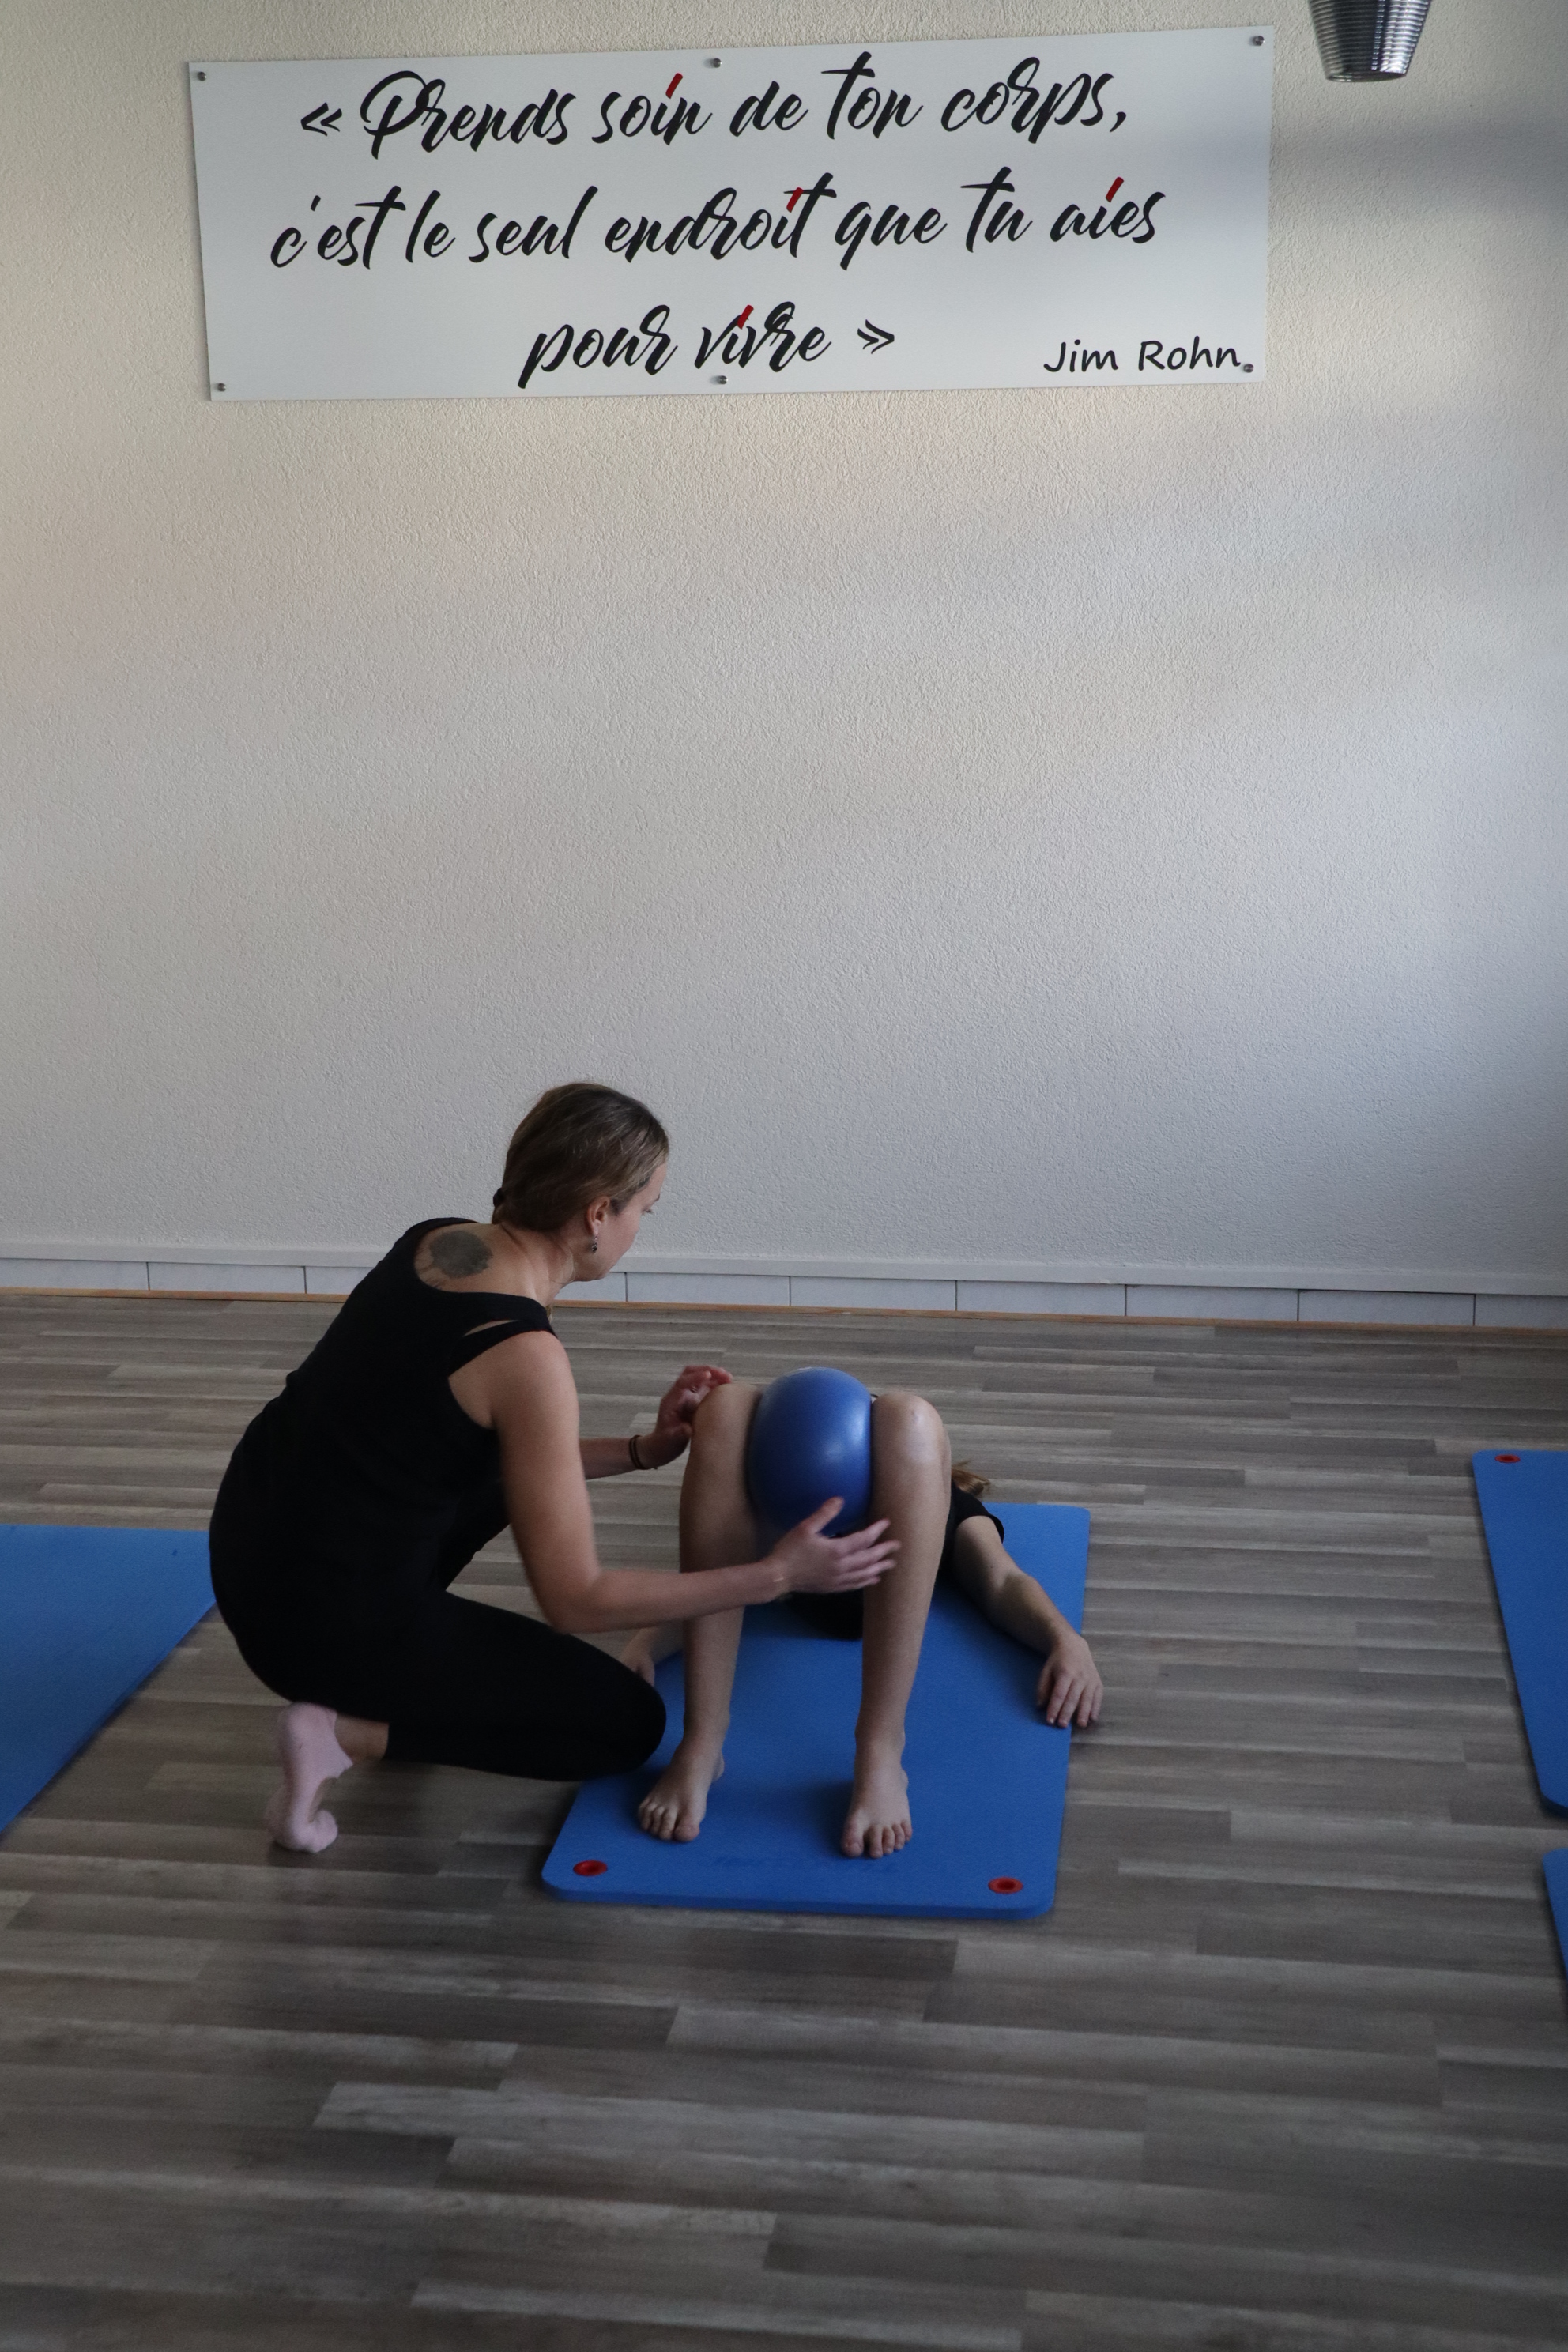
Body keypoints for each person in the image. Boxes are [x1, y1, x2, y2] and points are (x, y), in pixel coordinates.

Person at [207, 1083, 899, 1853]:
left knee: (489, 1473)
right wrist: (775, 1576)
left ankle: (371, 1682)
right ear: (598, 1214)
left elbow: (490, 1453)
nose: (640, 1229)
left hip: (249, 1552)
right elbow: (576, 1599)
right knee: (624, 1725)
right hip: (317, 1627)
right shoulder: (526, 1357)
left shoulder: (438, 1243)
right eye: (645, 1210)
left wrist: (642, 1450)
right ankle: (345, 1734)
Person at [630, 1388, 1103, 1859]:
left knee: (911, 1416)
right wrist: (644, 1644)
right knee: (727, 1405)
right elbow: (716, 1585)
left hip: (891, 1541)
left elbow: (1003, 1582)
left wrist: (1065, 1640)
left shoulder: (943, 1509)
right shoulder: (775, 1502)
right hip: (782, 1541)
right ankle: (701, 1742)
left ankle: (881, 1752)